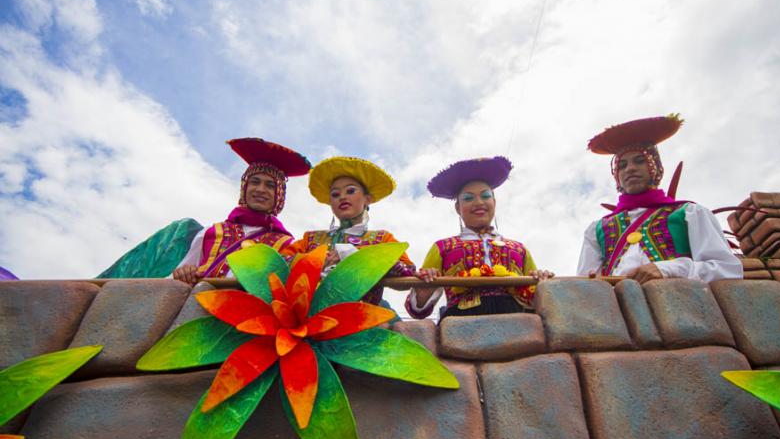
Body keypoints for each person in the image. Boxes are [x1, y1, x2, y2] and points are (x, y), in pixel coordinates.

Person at [576, 114, 743, 283]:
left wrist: (667, 269)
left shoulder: (690, 213)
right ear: (616, 176)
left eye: (639, 161)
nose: (630, 169)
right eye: (622, 165)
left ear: (655, 167)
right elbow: (585, 285)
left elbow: (726, 268)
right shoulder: (596, 230)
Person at [406, 156, 553, 320]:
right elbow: (417, 311)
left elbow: (536, 300)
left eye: (485, 196)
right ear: (458, 208)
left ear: (494, 202)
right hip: (462, 322)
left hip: (517, 320)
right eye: (468, 198)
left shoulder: (519, 249)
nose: (478, 202)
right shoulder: (442, 247)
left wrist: (542, 281)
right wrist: (425, 285)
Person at [172, 138, 311, 285]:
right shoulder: (211, 232)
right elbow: (179, 278)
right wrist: (184, 273)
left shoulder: (286, 245)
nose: (260, 189)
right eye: (255, 182)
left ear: (279, 195)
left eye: (270, 185)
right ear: (244, 187)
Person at [283, 156, 416, 305]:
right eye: (335, 194)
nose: (342, 197)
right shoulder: (311, 238)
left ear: (367, 199)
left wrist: (351, 255)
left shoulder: (383, 239)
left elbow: (408, 273)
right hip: (308, 320)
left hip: (364, 320)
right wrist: (315, 260)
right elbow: (279, 264)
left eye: (350, 191)